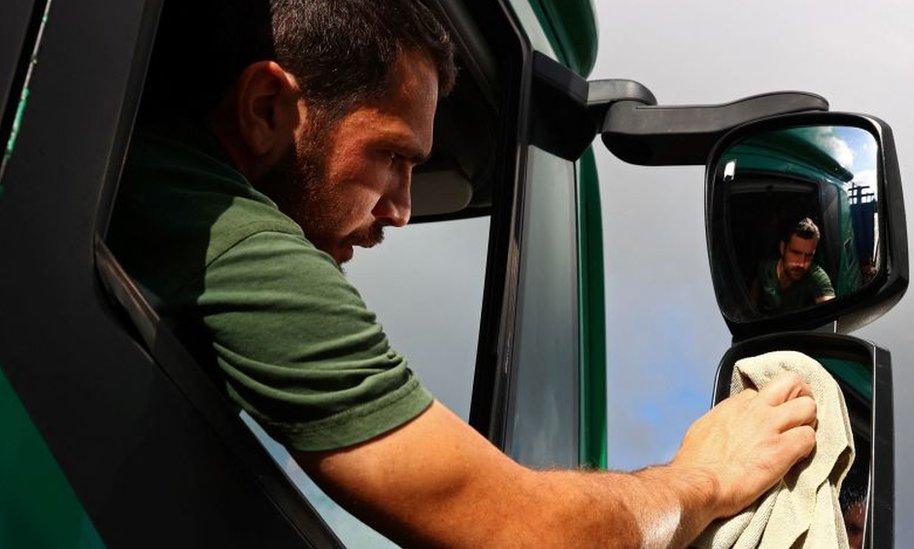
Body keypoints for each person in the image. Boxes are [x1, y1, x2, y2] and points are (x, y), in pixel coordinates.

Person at [108, 1, 819, 545]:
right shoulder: (231, 238)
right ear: (269, 108)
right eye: (394, 156)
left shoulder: (146, 182)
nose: (404, 210)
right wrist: (708, 477)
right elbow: (518, 531)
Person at [751, 217, 836, 314]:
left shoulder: (817, 277)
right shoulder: (765, 268)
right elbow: (752, 301)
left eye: (808, 255)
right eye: (795, 253)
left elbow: (830, 310)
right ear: (783, 248)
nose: (801, 263)